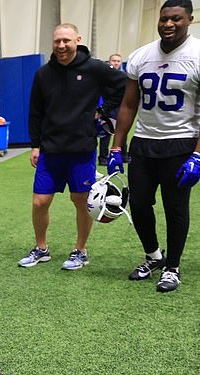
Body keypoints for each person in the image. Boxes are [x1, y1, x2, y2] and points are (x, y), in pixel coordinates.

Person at [108, 0, 200, 292]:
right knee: (138, 203)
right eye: (164, 19)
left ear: (190, 20)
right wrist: (116, 146)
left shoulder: (197, 55)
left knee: (175, 207)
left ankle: (172, 266)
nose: (168, 24)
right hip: (145, 142)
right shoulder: (140, 56)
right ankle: (153, 256)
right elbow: (128, 104)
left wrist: (198, 154)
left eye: (176, 19)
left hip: (181, 143)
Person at [19, 23, 126, 270]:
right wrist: (35, 145)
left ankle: (80, 250)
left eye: (66, 40)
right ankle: (41, 248)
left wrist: (103, 111)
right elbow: (35, 112)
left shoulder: (94, 68)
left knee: (81, 201)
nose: (61, 45)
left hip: (81, 150)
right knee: (39, 202)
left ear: (77, 39)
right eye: (57, 41)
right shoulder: (43, 74)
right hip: (50, 149)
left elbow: (123, 85)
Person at [98, 54, 128, 166]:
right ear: (109, 61)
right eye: (114, 60)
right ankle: (103, 158)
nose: (116, 63)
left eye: (118, 61)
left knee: (123, 133)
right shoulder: (104, 78)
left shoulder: (124, 77)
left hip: (120, 108)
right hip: (108, 107)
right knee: (106, 133)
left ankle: (124, 155)